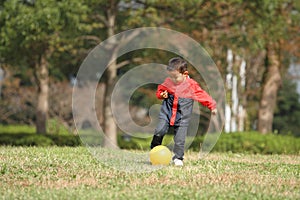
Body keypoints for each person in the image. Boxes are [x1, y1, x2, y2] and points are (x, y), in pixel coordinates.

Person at [150, 57, 217, 166]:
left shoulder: (191, 85)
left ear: (185, 74)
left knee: (180, 139)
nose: (172, 79)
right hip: (166, 114)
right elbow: (160, 90)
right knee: (160, 130)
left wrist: (212, 106)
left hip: (182, 118)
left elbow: (202, 95)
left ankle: (178, 158)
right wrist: (162, 94)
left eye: (175, 77)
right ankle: (154, 150)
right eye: (170, 76)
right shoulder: (168, 82)